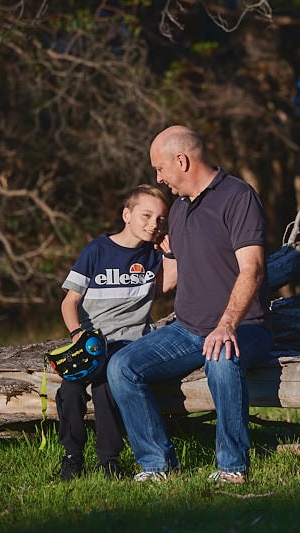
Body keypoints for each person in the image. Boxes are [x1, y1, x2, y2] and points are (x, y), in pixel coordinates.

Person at [106, 125, 272, 484]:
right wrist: (111, 298)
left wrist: (226, 326)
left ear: (181, 161)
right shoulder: (179, 210)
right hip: (187, 330)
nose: (158, 177)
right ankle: (156, 464)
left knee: (222, 356)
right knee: (121, 367)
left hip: (245, 327)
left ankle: (231, 467)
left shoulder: (238, 197)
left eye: (160, 168)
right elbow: (171, 276)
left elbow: (252, 268)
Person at [56, 184, 173, 480]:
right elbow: (69, 302)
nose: (153, 224)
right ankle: (72, 456)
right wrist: (77, 334)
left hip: (130, 343)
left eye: (160, 219)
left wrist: (172, 255)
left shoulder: (153, 254)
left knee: (106, 387)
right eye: (146, 215)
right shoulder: (97, 250)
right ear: (126, 214)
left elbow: (164, 288)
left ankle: (108, 459)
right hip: (91, 341)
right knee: (69, 390)